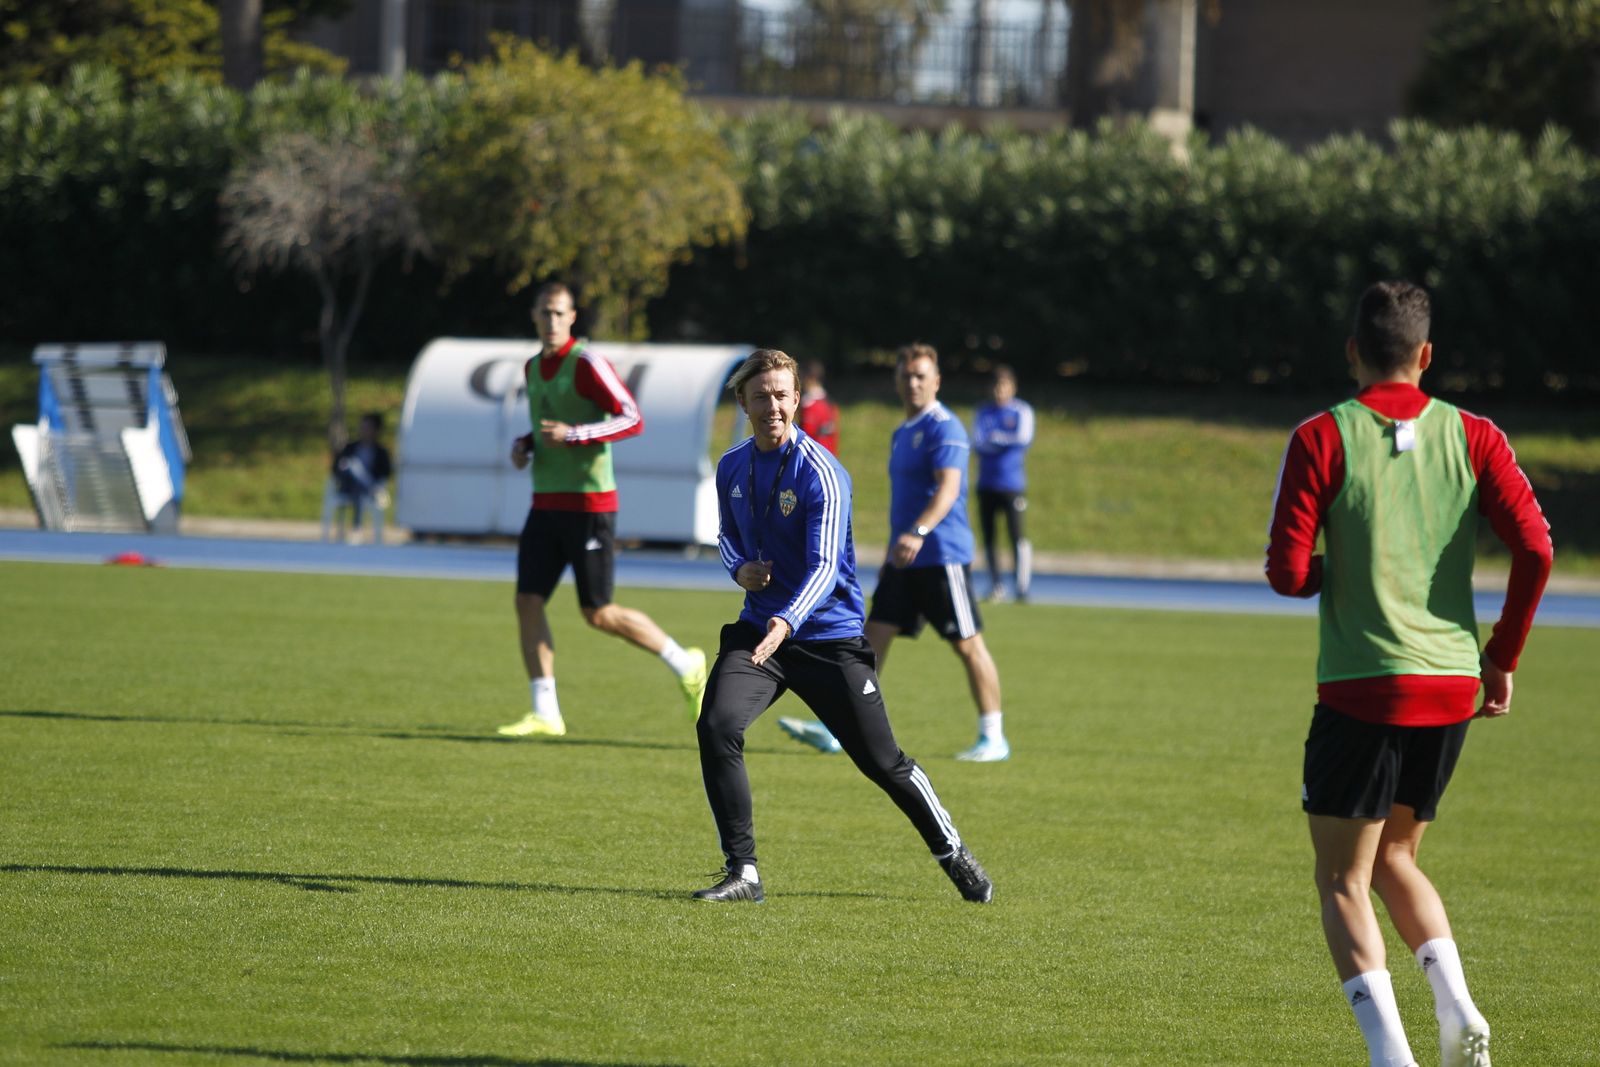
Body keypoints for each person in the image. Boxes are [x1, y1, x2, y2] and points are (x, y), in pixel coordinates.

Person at [1266, 281, 1551, 1067]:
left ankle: (1393, 1057)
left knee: (1341, 879)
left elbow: (1287, 573)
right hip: (1451, 684)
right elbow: (1536, 548)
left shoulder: (1323, 436)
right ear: (1426, 356)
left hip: (1362, 683)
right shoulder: (1477, 435)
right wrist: (1502, 655)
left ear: (1354, 351)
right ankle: (1458, 1006)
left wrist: (1339, 569)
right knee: (1397, 857)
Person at [693, 348, 993, 904]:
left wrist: (786, 620)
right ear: (743, 403)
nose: (773, 406)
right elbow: (727, 536)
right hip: (761, 635)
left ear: (798, 400)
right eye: (760, 396)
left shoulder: (823, 474)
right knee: (717, 725)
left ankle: (951, 850)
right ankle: (744, 873)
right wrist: (740, 568)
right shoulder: (731, 465)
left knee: (884, 763)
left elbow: (826, 566)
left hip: (828, 639)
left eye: (782, 395)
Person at [779, 343, 1010, 762]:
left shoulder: (946, 427)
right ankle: (840, 728)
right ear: (897, 380)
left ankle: (993, 736)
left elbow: (949, 488)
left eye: (921, 375)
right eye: (906, 375)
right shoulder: (903, 432)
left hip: (941, 556)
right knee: (870, 639)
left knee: (968, 644)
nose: (913, 382)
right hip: (903, 559)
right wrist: (893, 548)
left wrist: (919, 531)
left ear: (936, 381)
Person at [497, 282, 708, 738]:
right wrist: (526, 445)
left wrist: (574, 435)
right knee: (527, 601)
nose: (551, 321)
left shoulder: (587, 363)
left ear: (572, 317)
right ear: (534, 317)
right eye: (544, 313)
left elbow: (632, 417)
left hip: (589, 505)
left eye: (559, 313)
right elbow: (545, 427)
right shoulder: (534, 367)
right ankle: (546, 712)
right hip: (545, 503)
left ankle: (684, 661)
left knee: (598, 613)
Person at [972, 364, 1035, 602]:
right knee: (989, 539)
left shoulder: (1022, 411)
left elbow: (1022, 438)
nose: (1000, 391)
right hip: (986, 483)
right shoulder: (983, 412)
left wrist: (996, 440)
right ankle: (996, 585)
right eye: (996, 386)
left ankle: (1022, 586)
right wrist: (1000, 442)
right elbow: (977, 442)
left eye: (1005, 386)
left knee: (1017, 536)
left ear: (1013, 388)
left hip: (1012, 484)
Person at [324, 412, 393, 544]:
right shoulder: (350, 448)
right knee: (352, 466)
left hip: (364, 490)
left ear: (376, 430)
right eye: (363, 427)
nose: (364, 431)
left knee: (359, 490)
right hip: (349, 486)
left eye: (368, 428)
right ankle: (357, 526)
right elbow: (335, 469)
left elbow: (386, 472)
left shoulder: (381, 452)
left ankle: (357, 528)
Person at [797, 360, 840, 455]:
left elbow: (804, 437)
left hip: (811, 459)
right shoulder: (830, 403)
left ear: (810, 378)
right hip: (830, 458)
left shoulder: (808, 405)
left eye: (801, 377)